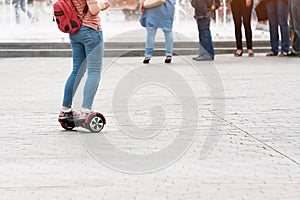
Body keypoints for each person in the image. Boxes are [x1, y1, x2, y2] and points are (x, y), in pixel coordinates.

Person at [58, 0, 110, 119]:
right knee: (94, 71)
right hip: (90, 30)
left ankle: (65, 110)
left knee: (77, 71)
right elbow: (93, 10)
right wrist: (104, 5)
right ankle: (85, 110)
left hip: (75, 30)